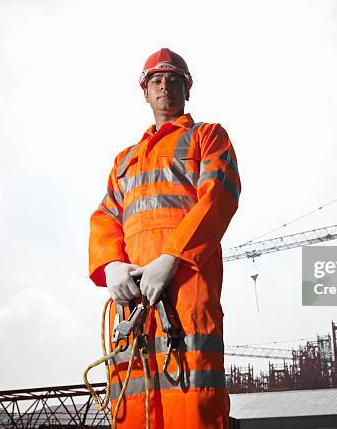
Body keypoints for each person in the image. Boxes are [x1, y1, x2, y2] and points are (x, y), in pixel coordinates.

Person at [88, 47, 241, 428]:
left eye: (174, 80)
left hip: (188, 288)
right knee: (133, 401)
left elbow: (217, 195)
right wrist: (110, 265)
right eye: (156, 80)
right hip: (133, 299)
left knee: (192, 401)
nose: (164, 87)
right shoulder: (125, 160)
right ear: (145, 92)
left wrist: (172, 257)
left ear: (187, 89)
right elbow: (106, 215)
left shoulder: (207, 137)